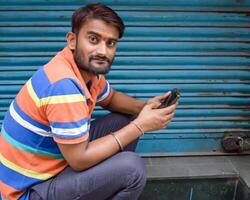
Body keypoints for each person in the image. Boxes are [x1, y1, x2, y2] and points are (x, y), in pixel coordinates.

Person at [0, 3, 177, 200]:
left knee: (124, 121)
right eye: (94, 39)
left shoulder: (84, 70)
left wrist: (145, 108)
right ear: (72, 40)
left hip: (53, 165)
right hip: (26, 191)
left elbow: (110, 98)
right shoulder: (64, 86)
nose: (103, 51)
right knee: (132, 169)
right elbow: (79, 160)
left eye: (111, 43)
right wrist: (141, 125)